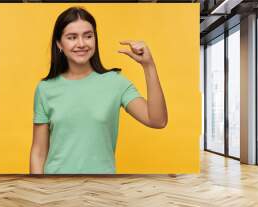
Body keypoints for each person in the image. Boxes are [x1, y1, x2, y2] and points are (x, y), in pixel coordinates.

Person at [30, 6, 167, 174]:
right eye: (72, 37)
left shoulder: (115, 83)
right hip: (56, 188)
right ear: (59, 44)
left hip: (102, 189)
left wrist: (148, 65)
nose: (81, 44)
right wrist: (38, 190)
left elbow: (157, 120)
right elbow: (38, 152)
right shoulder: (45, 89)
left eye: (88, 36)